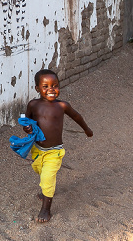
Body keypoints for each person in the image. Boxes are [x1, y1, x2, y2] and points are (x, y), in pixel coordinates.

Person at [23, 69, 93, 222]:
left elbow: (77, 116)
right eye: (45, 86)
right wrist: (26, 127)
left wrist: (86, 129)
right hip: (37, 149)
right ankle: (46, 189)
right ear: (37, 88)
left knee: (48, 177)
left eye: (55, 85)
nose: (51, 90)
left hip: (54, 151)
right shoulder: (33, 105)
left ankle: (46, 210)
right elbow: (26, 120)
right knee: (39, 170)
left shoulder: (62, 106)